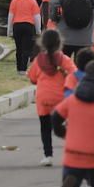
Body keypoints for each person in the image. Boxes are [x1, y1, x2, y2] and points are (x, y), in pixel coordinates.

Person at [27, 29, 76, 166]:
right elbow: (74, 74)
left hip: (43, 99)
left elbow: (32, 78)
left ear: (42, 43)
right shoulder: (64, 60)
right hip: (61, 99)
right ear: (60, 43)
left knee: (45, 127)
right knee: (67, 125)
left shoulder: (38, 61)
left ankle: (47, 155)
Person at [7, 0, 41, 75]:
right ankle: (23, 69)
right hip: (28, 26)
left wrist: (9, 30)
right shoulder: (32, 1)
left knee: (19, 48)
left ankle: (18, 68)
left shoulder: (15, 0)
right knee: (27, 48)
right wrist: (38, 30)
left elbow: (10, 15)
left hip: (17, 26)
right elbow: (37, 17)